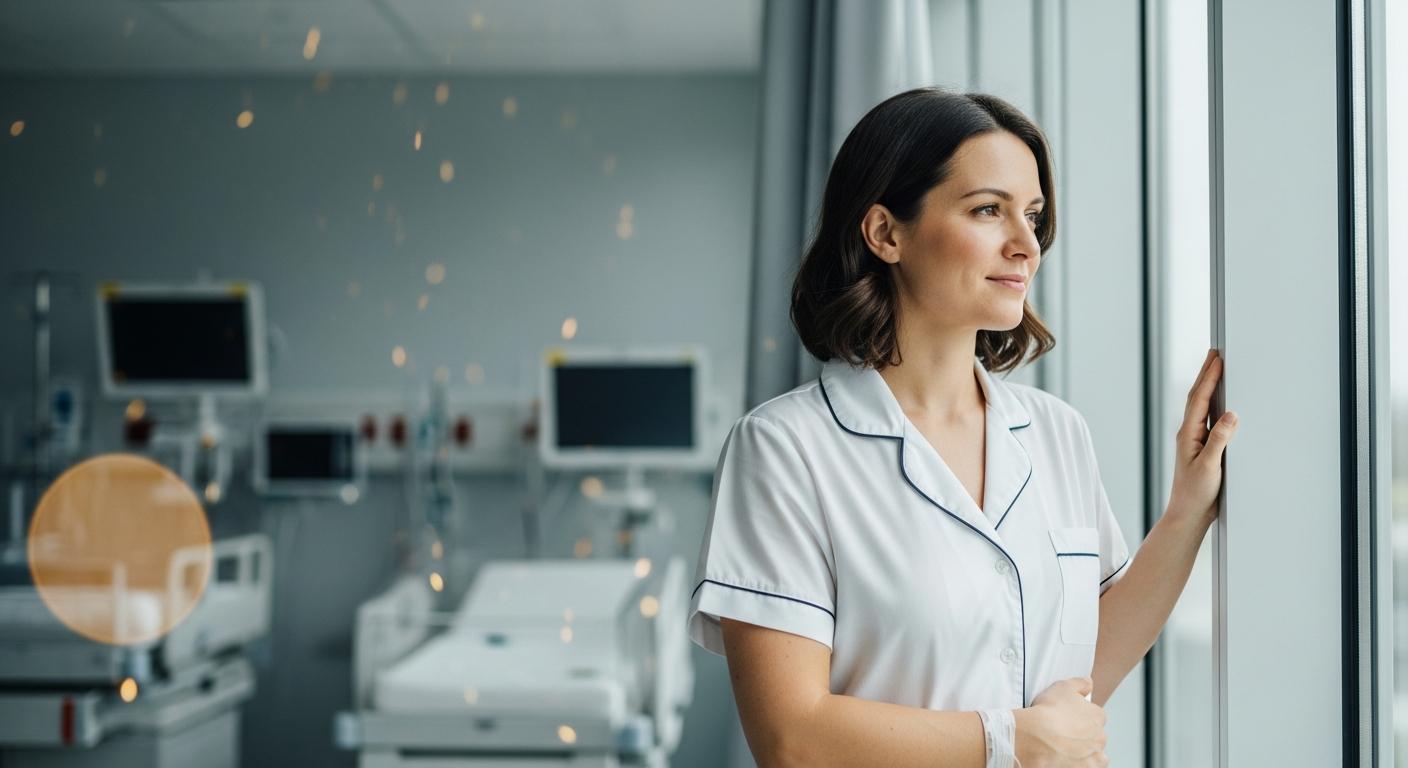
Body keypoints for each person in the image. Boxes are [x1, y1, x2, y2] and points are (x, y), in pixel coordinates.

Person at [686, 88, 1238, 768]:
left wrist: (1187, 512)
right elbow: (791, 737)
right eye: (987, 211)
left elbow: (1081, 666)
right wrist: (1010, 741)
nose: (1026, 245)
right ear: (886, 232)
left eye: (1033, 217)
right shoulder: (784, 448)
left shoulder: (1055, 432)